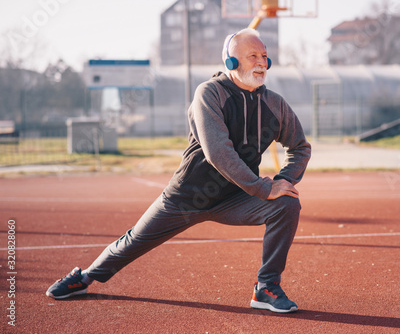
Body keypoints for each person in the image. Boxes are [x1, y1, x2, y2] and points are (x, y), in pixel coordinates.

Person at [46, 28, 311, 314]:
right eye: (253, 56)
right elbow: (218, 152)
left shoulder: (274, 104)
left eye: (264, 56)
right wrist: (262, 186)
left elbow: (300, 147)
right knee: (134, 240)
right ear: (231, 63)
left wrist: (283, 182)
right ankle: (85, 277)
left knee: (286, 203)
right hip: (187, 197)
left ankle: (266, 287)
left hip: (236, 198)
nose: (262, 63)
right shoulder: (209, 94)